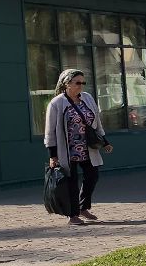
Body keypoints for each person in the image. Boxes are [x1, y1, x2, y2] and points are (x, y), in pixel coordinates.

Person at [43, 68, 110, 227]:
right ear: (67, 84)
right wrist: (53, 155)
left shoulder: (87, 98)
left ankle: (83, 207)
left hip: (87, 148)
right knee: (71, 182)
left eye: (83, 82)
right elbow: (50, 131)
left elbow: (96, 122)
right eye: (77, 82)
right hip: (67, 149)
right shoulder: (57, 103)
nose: (81, 86)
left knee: (92, 176)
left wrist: (105, 141)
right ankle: (72, 215)